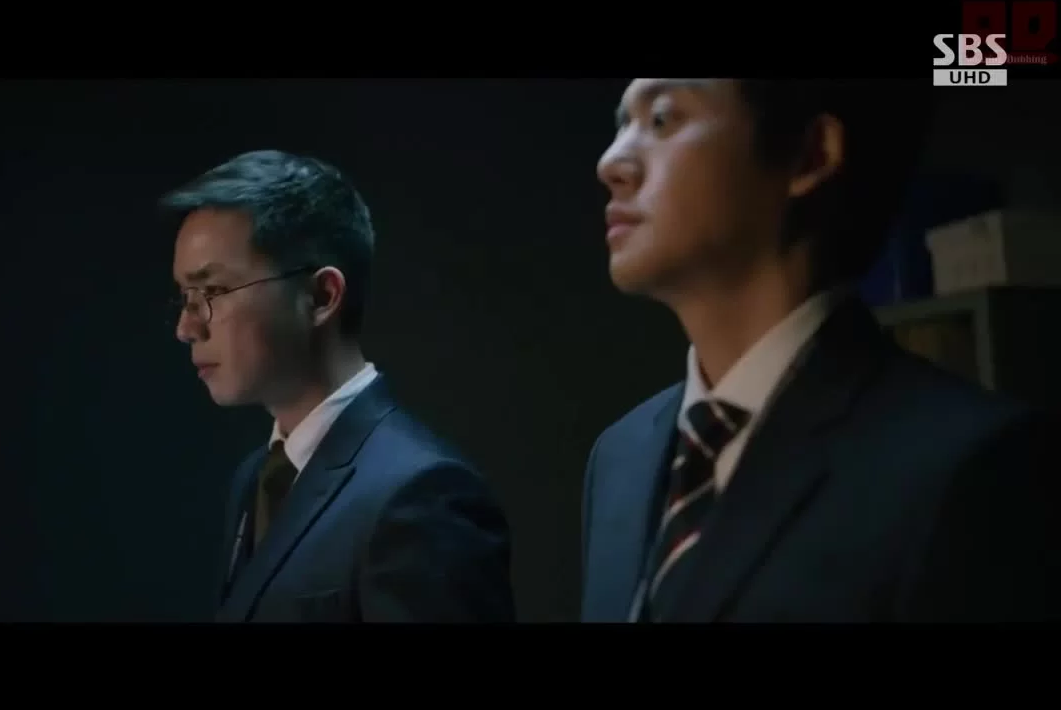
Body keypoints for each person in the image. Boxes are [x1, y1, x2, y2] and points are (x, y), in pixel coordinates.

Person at [581, 79, 1059, 622]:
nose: (610, 162)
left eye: (662, 119)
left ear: (810, 155)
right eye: (622, 124)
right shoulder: (621, 459)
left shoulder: (971, 466)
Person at [162, 149, 515, 622]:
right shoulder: (254, 477)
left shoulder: (420, 495)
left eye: (213, 292)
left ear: (321, 296)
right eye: (184, 297)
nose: (186, 327)